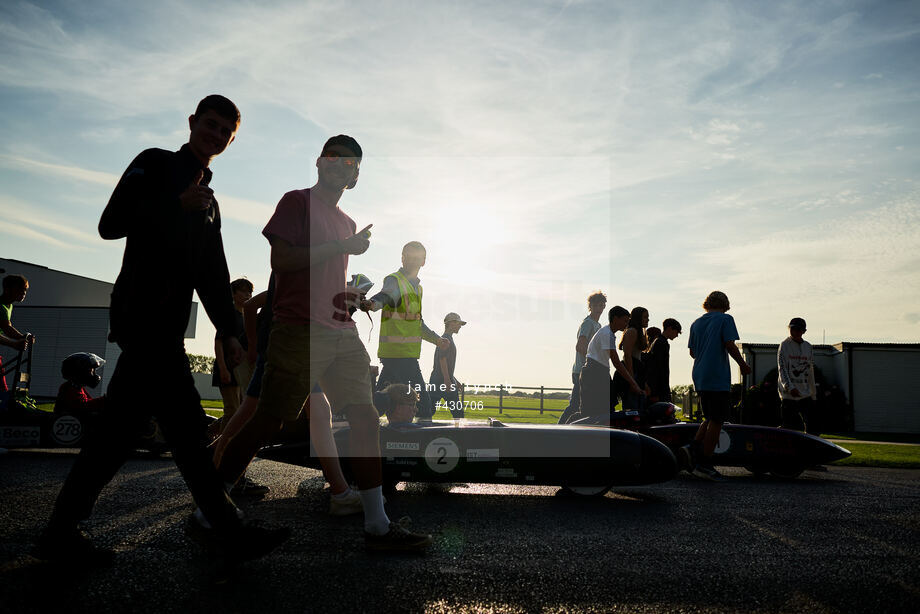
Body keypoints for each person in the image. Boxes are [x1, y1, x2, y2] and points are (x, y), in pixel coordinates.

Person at [39, 95, 289, 563]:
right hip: (142, 320)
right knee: (185, 435)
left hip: (166, 327)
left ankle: (60, 533)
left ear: (229, 141)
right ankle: (226, 529)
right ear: (192, 122)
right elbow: (109, 225)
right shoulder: (155, 165)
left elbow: (212, 272)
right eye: (209, 125)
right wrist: (174, 205)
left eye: (224, 133)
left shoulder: (209, 200)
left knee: (125, 436)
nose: (214, 136)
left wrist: (231, 330)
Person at [214, 135, 432, 551]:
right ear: (318, 161)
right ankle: (209, 511)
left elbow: (322, 277)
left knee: (367, 419)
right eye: (333, 156)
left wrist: (347, 296)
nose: (340, 164)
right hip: (298, 330)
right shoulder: (296, 202)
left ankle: (378, 526)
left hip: (340, 330)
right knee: (268, 421)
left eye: (350, 162)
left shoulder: (348, 222)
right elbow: (283, 262)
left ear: (356, 176)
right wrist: (343, 247)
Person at [364, 242, 449, 421]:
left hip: (402, 356)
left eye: (416, 258)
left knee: (379, 402)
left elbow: (417, 323)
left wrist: (437, 340)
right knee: (424, 407)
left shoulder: (417, 288)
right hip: (400, 356)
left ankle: (362, 423)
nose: (412, 261)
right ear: (402, 258)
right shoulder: (394, 280)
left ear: (423, 262)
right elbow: (386, 294)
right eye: (408, 256)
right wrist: (373, 304)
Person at [683, 291, 752, 481]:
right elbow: (730, 345)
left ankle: (693, 448)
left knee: (710, 416)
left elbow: (692, 352)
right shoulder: (725, 319)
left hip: (700, 374)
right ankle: (705, 462)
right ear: (725, 305)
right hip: (717, 374)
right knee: (717, 419)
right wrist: (743, 365)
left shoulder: (696, 323)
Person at [578, 306, 642, 418]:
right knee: (593, 413)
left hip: (600, 372)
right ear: (616, 318)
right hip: (594, 373)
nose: (626, 324)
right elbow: (616, 362)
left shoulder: (609, 334)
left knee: (604, 409)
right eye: (625, 321)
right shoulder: (606, 334)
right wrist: (633, 383)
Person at [212, 278, 254, 433]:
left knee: (240, 412)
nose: (247, 294)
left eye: (249, 291)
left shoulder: (247, 318)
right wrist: (223, 368)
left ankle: (207, 433)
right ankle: (220, 451)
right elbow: (218, 343)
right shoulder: (228, 315)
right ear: (233, 294)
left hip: (241, 371)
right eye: (243, 291)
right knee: (232, 411)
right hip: (227, 368)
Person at [559, 291, 606, 424]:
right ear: (590, 306)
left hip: (590, 371)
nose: (599, 309)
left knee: (582, 405)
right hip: (582, 370)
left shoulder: (598, 326)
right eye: (596, 305)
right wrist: (594, 360)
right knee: (575, 405)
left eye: (601, 305)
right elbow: (580, 347)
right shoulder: (588, 324)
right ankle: (559, 429)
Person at [777, 317, 818, 434]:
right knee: (789, 427)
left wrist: (813, 394)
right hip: (788, 394)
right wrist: (790, 387)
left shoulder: (808, 347)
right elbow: (782, 368)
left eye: (798, 330)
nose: (795, 332)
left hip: (805, 393)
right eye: (792, 329)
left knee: (813, 427)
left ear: (804, 331)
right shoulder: (784, 345)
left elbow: (810, 371)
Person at [1, 274, 34, 393]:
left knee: (2, 390)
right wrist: (14, 344)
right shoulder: (1, 307)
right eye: (20, 289)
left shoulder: (8, 306)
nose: (23, 292)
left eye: (25, 289)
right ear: (7, 289)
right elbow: (7, 329)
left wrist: (22, 337)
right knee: (2, 390)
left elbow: (7, 327)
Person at [429, 312, 466, 419]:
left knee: (429, 411)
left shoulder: (446, 338)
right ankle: (460, 434)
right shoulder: (446, 339)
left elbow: (445, 364)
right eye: (458, 323)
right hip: (443, 382)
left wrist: (455, 380)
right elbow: (442, 359)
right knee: (458, 414)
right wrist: (447, 380)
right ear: (451, 323)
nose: (460, 326)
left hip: (437, 381)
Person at [618, 306, 650, 410]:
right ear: (638, 318)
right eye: (645, 317)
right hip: (631, 371)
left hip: (637, 371)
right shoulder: (632, 331)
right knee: (632, 409)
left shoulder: (639, 332)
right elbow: (627, 355)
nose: (648, 319)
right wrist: (632, 380)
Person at [644, 319, 681, 404]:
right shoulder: (662, 343)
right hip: (658, 388)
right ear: (669, 328)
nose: (677, 335)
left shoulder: (658, 341)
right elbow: (659, 368)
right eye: (676, 332)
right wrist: (660, 391)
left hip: (656, 386)